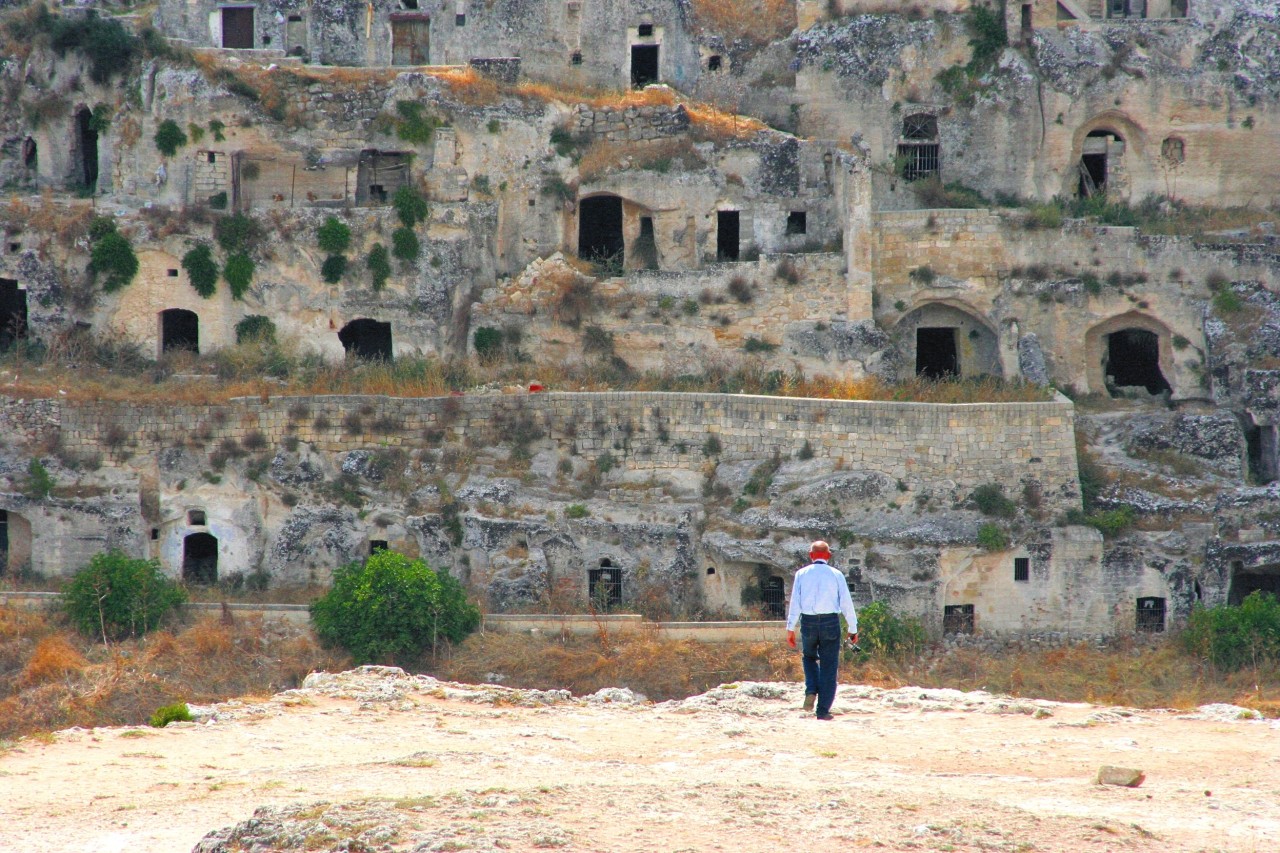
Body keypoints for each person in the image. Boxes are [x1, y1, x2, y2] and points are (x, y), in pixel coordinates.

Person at [785, 540, 858, 721]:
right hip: (830, 622)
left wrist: (790, 628)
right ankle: (823, 710)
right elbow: (846, 603)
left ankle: (811, 689)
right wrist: (852, 629)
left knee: (809, 657)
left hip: (808, 622)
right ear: (829, 556)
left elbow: (795, 602)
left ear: (811, 556)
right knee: (829, 665)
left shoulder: (801, 574)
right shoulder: (837, 574)